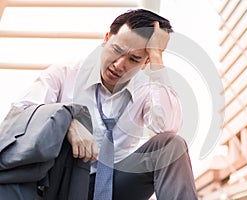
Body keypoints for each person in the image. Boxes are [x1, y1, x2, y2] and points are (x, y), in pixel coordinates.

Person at [14, 9, 198, 200]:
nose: (119, 64)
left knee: (171, 146)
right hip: (64, 181)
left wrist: (157, 59)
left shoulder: (146, 89)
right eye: (117, 50)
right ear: (107, 38)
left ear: (145, 62)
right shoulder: (65, 74)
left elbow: (168, 126)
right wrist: (66, 121)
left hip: (118, 184)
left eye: (133, 59)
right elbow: (21, 112)